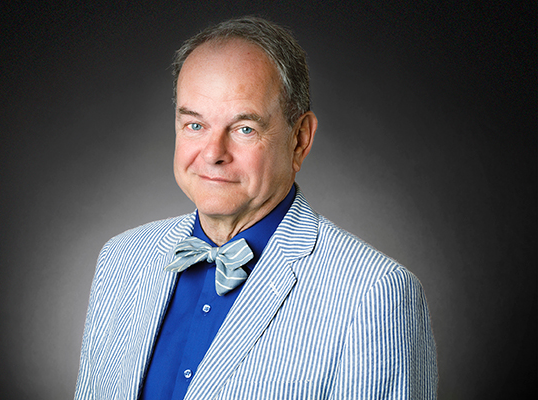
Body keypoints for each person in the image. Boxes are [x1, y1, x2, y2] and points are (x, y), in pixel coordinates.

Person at [74, 16, 437, 399]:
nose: (213, 154)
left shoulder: (375, 294)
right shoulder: (120, 259)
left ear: (300, 139)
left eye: (244, 128)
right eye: (195, 125)